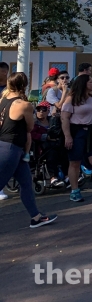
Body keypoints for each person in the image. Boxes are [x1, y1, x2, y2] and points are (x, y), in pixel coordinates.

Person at [0, 72, 58, 228]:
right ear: (25, 85)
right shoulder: (23, 105)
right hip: (10, 148)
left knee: (26, 183)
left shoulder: (2, 100)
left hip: (10, 147)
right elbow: (30, 127)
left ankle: (36, 217)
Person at [62, 75, 92, 202]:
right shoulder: (71, 99)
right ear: (83, 83)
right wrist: (67, 136)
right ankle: (75, 190)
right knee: (75, 162)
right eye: (90, 82)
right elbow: (64, 118)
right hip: (77, 132)